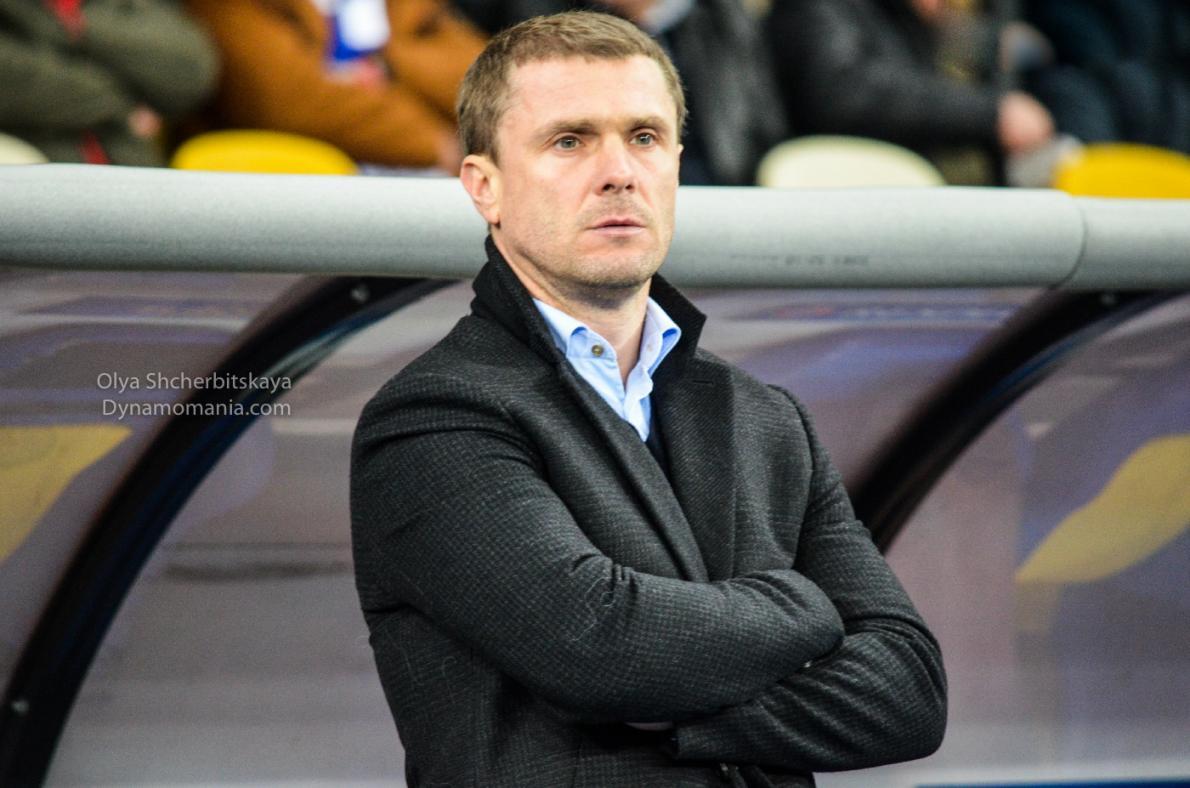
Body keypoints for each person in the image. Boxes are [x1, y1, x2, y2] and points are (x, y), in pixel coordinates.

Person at [351, 11, 946, 787]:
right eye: (570, 141)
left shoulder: (767, 419)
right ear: (484, 186)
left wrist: (687, 716)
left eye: (644, 137)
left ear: (675, 164)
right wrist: (806, 606)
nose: (618, 172)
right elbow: (604, 650)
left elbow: (909, 692)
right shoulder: (433, 418)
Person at [766, 0, 1054, 179]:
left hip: (953, 198)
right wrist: (990, 114)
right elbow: (841, 94)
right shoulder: (820, 10)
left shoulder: (957, 18)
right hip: (856, 197)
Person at [184, 0, 485, 171]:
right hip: (293, 192)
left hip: (428, 178)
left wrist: (388, 62)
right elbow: (288, 102)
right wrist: (435, 144)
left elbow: (484, 75)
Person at [0, 0, 218, 166]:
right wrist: (129, 105)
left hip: (132, 171)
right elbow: (14, 81)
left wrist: (71, 22)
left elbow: (190, 70)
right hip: (35, 171)